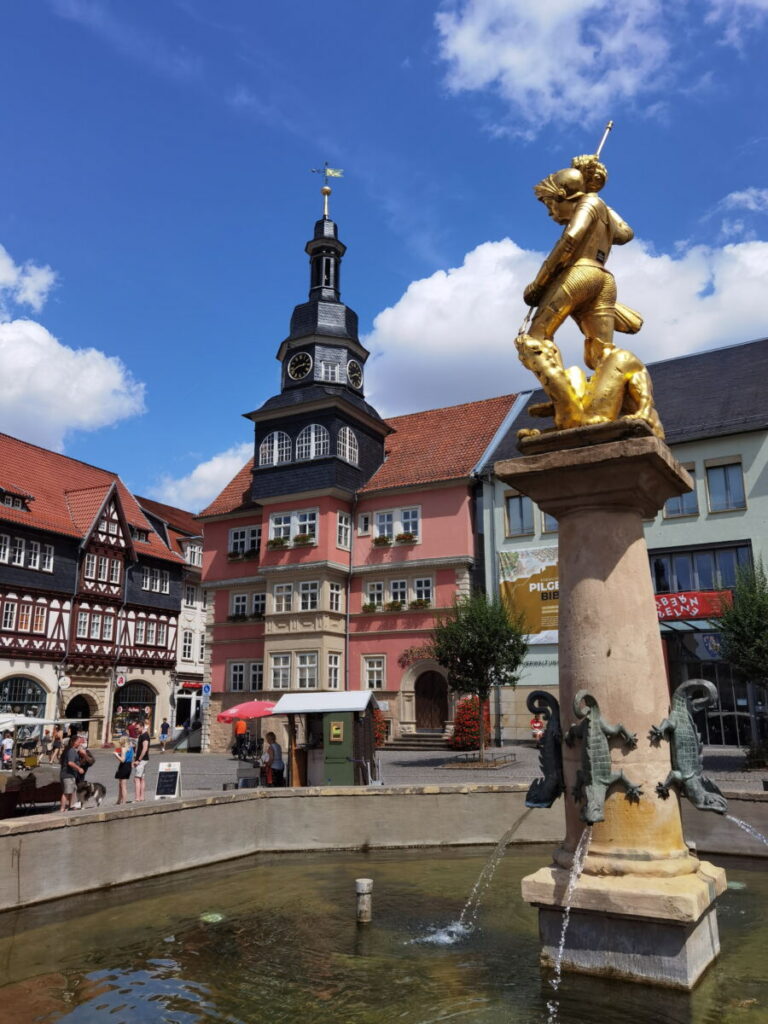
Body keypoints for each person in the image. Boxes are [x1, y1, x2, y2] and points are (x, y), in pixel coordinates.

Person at [59, 734, 86, 811]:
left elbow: (77, 762)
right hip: (67, 775)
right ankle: (62, 809)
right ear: (73, 742)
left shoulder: (73, 751)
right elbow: (70, 763)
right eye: (78, 742)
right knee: (67, 792)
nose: (80, 744)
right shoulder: (71, 751)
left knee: (72, 791)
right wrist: (79, 769)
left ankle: (71, 807)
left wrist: (84, 756)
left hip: (71, 775)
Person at [113, 736, 133, 804]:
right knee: (120, 784)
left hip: (124, 766)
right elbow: (130, 757)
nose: (119, 741)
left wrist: (116, 755)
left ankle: (124, 801)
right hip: (128, 765)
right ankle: (119, 800)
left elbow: (122, 760)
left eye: (120, 740)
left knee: (123, 785)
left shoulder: (123, 748)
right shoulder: (131, 748)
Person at [133, 723, 150, 802]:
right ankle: (142, 797)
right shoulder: (141, 735)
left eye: (137, 728)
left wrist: (138, 760)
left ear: (142, 727)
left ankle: (137, 798)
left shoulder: (145, 736)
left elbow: (145, 748)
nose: (136, 730)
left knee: (137, 779)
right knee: (142, 779)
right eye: (135, 728)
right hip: (142, 759)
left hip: (142, 760)